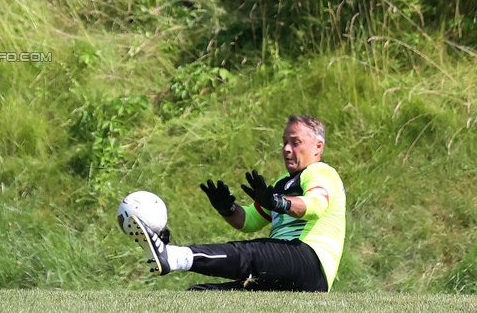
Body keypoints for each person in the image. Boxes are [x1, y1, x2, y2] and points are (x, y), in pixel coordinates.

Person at [127, 115, 346, 291]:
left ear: (318, 146)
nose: (287, 149)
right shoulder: (282, 183)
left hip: (312, 263)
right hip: (284, 269)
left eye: (295, 142)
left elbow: (315, 206)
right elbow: (249, 221)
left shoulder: (321, 173)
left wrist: (278, 202)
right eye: (285, 142)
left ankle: (173, 257)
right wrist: (227, 209)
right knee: (202, 294)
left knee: (251, 253)